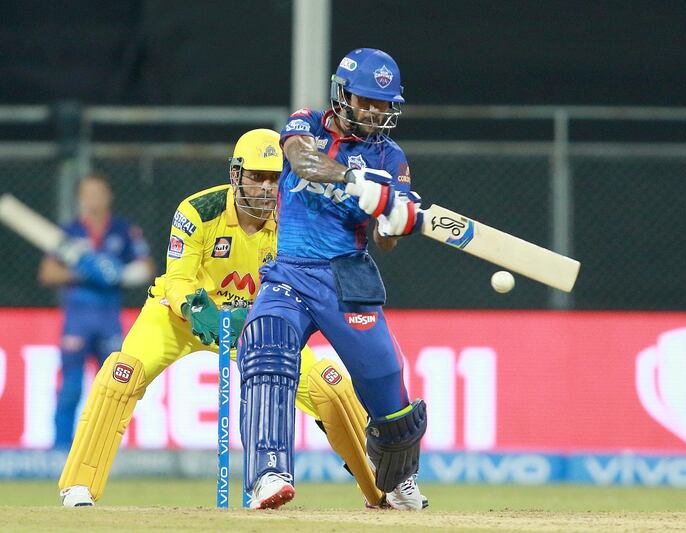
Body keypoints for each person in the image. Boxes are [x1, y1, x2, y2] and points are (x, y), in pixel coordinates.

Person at [58, 129, 385, 508]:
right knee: (122, 375)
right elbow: (177, 278)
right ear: (236, 175)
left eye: (275, 178)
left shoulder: (292, 219)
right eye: (257, 177)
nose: (266, 188)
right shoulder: (198, 210)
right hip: (179, 318)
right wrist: (194, 307)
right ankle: (78, 487)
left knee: (329, 388)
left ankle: (382, 490)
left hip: (253, 324)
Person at [239, 48, 428, 511]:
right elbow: (303, 162)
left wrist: (392, 221)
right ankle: (268, 473)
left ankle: (399, 480)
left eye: (385, 105)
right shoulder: (306, 123)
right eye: (368, 101)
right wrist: (355, 181)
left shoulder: (392, 157)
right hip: (291, 272)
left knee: (385, 377)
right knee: (266, 344)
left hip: (348, 276)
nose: (377, 112)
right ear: (342, 95)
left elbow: (387, 240)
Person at [38, 173, 154, 449]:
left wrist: (120, 274)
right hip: (77, 317)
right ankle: (61, 449)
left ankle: (105, 449)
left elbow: (147, 268)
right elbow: (48, 273)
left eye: (99, 193)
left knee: (114, 389)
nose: (94, 200)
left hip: (109, 317)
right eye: (88, 194)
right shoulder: (70, 234)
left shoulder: (123, 230)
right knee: (71, 388)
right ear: (79, 198)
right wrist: (84, 272)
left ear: (108, 196)